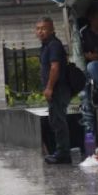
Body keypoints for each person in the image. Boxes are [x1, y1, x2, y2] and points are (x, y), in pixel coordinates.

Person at [36, 17, 72, 164]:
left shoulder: (54, 45)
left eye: (44, 28)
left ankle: (63, 153)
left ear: (52, 30)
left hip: (58, 89)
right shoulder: (45, 45)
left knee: (58, 120)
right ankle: (60, 151)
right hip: (53, 90)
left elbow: (55, 67)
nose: (40, 32)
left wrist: (50, 87)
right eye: (38, 29)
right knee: (55, 119)